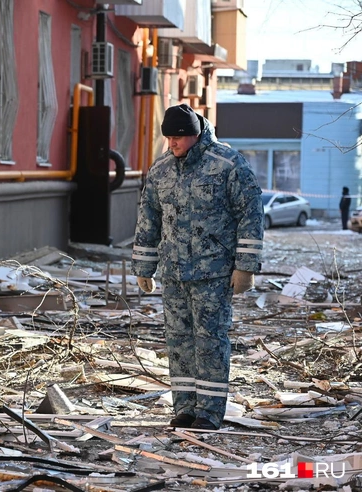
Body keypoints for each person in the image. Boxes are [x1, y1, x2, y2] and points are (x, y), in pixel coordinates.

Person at [131, 104, 264, 430]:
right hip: (174, 274)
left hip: (214, 273)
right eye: (169, 138)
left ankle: (209, 412)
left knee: (210, 342)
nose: (172, 143)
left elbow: (251, 212)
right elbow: (149, 219)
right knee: (178, 343)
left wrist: (245, 267)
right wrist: (144, 266)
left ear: (195, 134)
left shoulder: (227, 164)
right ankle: (186, 409)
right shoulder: (161, 169)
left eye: (178, 137)